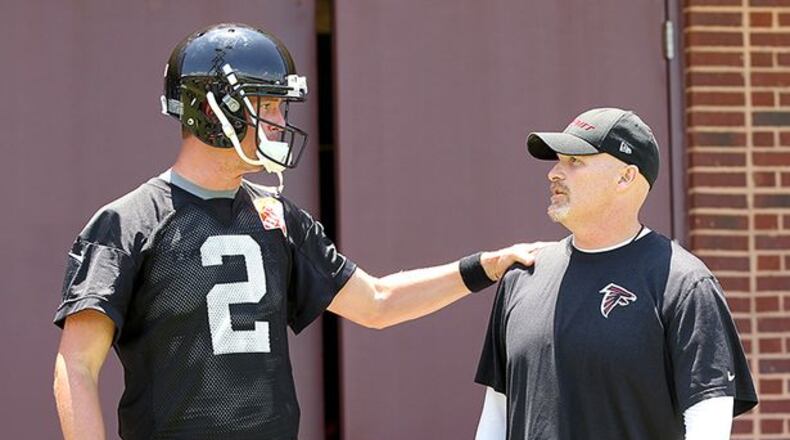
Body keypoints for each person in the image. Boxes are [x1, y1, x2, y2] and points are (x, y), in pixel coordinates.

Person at [52, 23, 542, 440]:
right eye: (270, 106)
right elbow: (77, 366)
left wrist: (485, 267)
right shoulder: (129, 223)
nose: (281, 122)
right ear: (214, 109)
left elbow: (377, 303)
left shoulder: (278, 218)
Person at [474, 108, 758, 440]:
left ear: (625, 177)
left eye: (574, 162)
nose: (553, 173)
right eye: (557, 161)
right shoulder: (522, 276)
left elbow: (708, 422)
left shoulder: (684, 284)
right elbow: (497, 414)